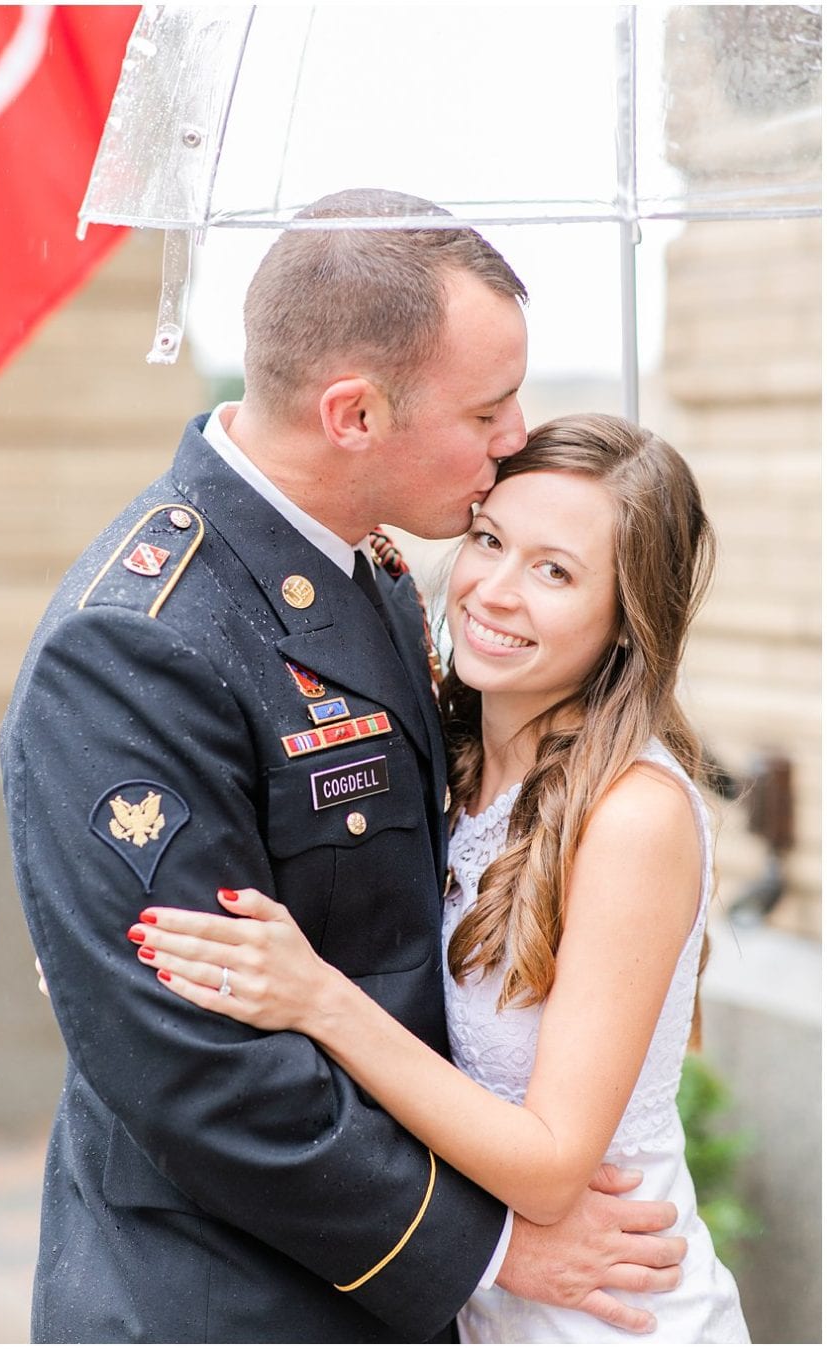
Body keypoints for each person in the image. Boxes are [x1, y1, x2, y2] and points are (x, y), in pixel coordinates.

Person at [0, 188, 687, 1342]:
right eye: (489, 406)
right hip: (230, 1290)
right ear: (355, 413)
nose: (517, 435)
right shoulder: (136, 640)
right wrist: (491, 1247)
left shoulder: (370, 566)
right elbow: (196, 1063)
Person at [131, 415, 748, 1341]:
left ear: (628, 618)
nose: (495, 592)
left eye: (555, 571)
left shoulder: (633, 815)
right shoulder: (444, 754)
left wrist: (319, 999)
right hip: (472, 1300)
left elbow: (549, 1165)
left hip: (610, 1305)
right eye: (490, 540)